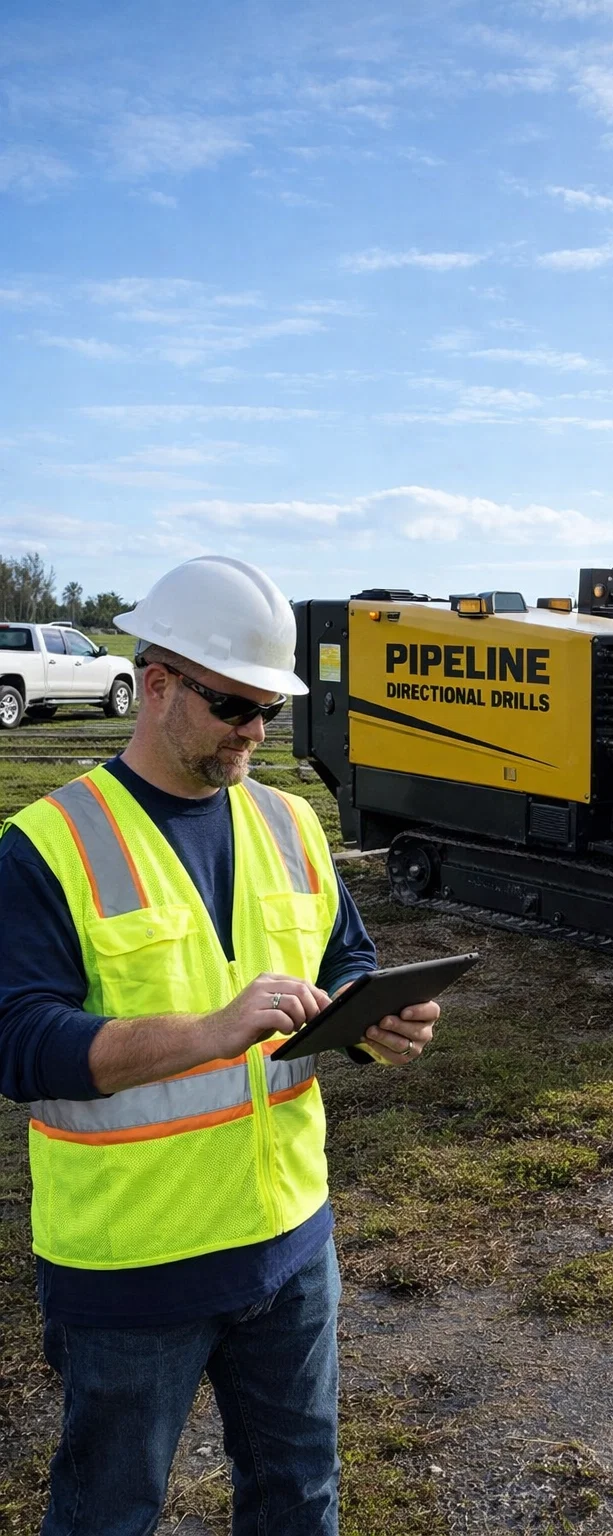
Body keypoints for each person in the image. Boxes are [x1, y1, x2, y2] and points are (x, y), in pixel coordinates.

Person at [0, 555, 439, 1535]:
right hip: (131, 1265)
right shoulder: (46, 843)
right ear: (156, 685)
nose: (255, 732)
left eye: (270, 711)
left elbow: (348, 961)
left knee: (299, 1497)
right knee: (107, 1514)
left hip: (289, 1246)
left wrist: (379, 1027)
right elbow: (18, 1044)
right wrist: (208, 1031)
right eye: (235, 706)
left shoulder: (290, 823)